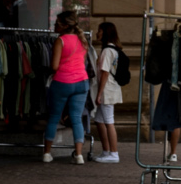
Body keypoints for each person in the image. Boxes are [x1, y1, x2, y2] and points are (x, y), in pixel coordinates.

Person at [41, 10, 89, 164]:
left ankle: (47, 153)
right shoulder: (82, 40)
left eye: (57, 23)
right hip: (82, 82)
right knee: (76, 119)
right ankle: (79, 155)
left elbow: (54, 66)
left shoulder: (60, 41)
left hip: (62, 82)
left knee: (54, 117)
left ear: (64, 26)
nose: (54, 25)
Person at [92, 21, 124, 162]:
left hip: (107, 90)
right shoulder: (113, 49)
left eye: (100, 31)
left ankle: (113, 153)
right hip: (110, 88)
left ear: (105, 33)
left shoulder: (107, 51)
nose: (97, 33)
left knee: (108, 120)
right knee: (99, 120)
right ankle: (106, 151)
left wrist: (99, 93)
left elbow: (104, 73)